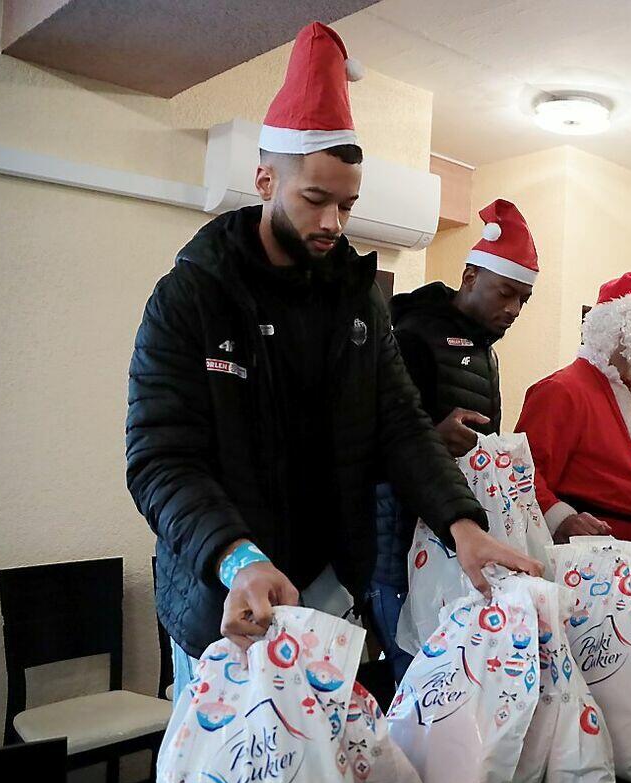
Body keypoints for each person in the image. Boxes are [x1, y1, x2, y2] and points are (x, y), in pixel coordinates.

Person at [126, 22, 539, 701]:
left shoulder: (357, 299)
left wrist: (461, 523)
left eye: (346, 206)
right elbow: (159, 459)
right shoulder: (193, 296)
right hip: (225, 591)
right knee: (228, 767)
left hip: (326, 588)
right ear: (265, 179)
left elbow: (400, 423)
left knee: (324, 761)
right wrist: (237, 558)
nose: (332, 225)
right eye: (314, 200)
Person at [367, 199, 539, 678]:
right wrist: (434, 437)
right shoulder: (412, 334)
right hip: (399, 523)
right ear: (470, 277)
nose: (513, 309)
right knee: (415, 663)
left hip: (456, 526)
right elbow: (384, 431)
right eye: (506, 293)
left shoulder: (486, 352)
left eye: (523, 300)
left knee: (455, 660)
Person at [515, 273, 631, 544]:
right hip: (594, 551)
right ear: (623, 333)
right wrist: (562, 519)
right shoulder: (562, 390)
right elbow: (522, 471)